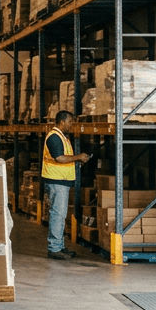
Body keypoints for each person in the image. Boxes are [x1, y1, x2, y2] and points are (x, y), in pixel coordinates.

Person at [44, 110, 92, 260]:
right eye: (70, 122)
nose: (71, 125)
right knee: (57, 214)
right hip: (56, 181)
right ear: (62, 122)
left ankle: (59, 246)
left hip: (61, 180)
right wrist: (78, 157)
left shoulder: (62, 137)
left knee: (60, 214)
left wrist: (77, 161)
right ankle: (54, 248)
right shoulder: (54, 137)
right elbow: (59, 158)